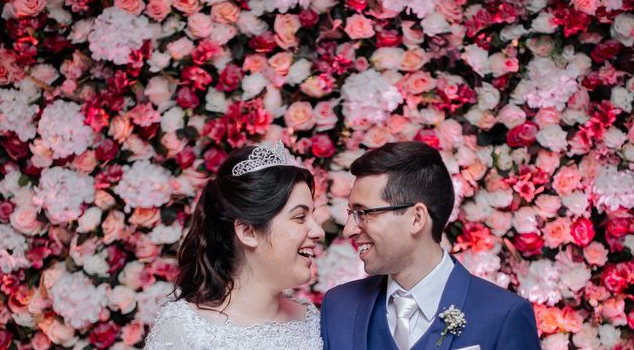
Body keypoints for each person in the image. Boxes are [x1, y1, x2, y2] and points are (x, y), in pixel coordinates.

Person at [320, 142, 540, 350]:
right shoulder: (338, 307)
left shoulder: (504, 315)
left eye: (363, 213)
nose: (349, 229)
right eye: (351, 214)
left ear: (416, 218)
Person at [145, 141, 325, 350]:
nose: (318, 231)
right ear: (248, 232)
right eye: (300, 217)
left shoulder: (312, 321)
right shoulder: (186, 330)